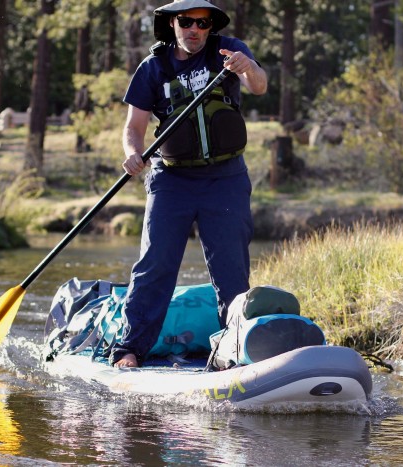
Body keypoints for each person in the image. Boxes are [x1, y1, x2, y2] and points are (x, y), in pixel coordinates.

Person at [109, 0, 268, 368]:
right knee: (155, 265)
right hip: (171, 179)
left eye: (203, 22)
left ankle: (233, 350)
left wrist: (248, 67)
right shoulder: (153, 67)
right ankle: (129, 349)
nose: (195, 29)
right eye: (187, 22)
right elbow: (134, 128)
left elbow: (258, 85)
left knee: (232, 270)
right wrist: (133, 153)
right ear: (172, 24)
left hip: (226, 179)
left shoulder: (231, 50)